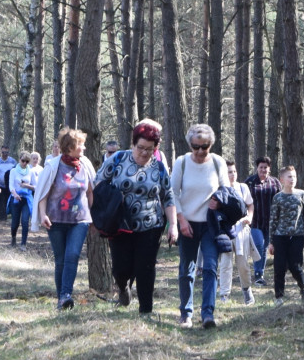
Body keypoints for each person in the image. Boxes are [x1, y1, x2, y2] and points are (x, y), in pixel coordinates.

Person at [97, 118, 178, 315]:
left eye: (149, 149)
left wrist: (173, 225)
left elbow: (168, 197)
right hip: (119, 225)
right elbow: (97, 187)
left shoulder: (158, 168)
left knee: (145, 268)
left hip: (151, 225)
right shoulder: (116, 160)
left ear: (156, 147)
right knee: (120, 269)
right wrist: (97, 217)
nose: (144, 152)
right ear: (133, 144)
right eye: (140, 147)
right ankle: (124, 288)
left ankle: (146, 310)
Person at [170, 124, 229, 329]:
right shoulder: (182, 162)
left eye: (205, 147)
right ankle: (186, 313)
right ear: (190, 145)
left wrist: (219, 201)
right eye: (196, 147)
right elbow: (173, 193)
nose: (200, 151)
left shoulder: (218, 162)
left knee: (211, 267)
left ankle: (208, 314)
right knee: (187, 269)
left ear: (210, 145)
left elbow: (225, 190)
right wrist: (181, 219)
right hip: (188, 222)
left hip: (211, 224)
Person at [31, 128, 95, 310]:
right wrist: (42, 215)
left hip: (80, 220)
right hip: (56, 220)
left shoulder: (85, 165)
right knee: (60, 260)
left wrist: (93, 216)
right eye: (80, 145)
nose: (83, 148)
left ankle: (66, 294)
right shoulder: (54, 165)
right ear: (70, 147)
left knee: (72, 255)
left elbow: (91, 192)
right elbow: (43, 193)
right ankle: (62, 300)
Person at [267, 165, 304, 306]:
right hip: (280, 237)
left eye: (294, 176)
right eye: (289, 177)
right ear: (282, 179)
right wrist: (270, 242)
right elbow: (273, 220)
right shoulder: (278, 197)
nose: (292, 179)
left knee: (295, 266)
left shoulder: (302, 194)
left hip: (297, 236)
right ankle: (279, 297)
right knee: (279, 267)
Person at [217, 161, 256, 306]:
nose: (232, 175)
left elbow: (250, 204)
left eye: (234, 171)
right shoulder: (220, 189)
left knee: (242, 263)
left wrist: (249, 217)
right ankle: (224, 294)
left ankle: (247, 290)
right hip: (226, 230)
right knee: (226, 263)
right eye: (229, 172)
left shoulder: (243, 187)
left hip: (241, 230)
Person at [244, 157, 281, 286]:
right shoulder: (249, 182)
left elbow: (280, 199)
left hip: (270, 222)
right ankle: (258, 273)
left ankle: (261, 274)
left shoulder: (275, 183)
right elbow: (243, 200)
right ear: (257, 168)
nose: (263, 170)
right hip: (255, 222)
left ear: (269, 169)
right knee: (259, 244)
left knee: (265, 247)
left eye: (265, 167)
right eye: (261, 167)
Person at [8, 152, 36, 250]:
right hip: (15, 198)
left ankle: (23, 243)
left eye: (27, 162)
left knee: (25, 221)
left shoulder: (31, 171)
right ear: (19, 159)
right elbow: (11, 185)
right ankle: (13, 238)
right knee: (15, 222)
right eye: (23, 161)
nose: (24, 163)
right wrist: (15, 194)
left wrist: (27, 186)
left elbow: (35, 187)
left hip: (26, 199)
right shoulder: (13, 171)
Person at [0, 145, 17, 222]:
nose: (5, 154)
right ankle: (2, 218)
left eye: (6, 152)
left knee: (9, 201)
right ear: (1, 152)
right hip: (0, 185)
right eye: (3, 152)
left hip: (10, 185)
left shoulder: (13, 161)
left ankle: (10, 216)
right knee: (1, 202)